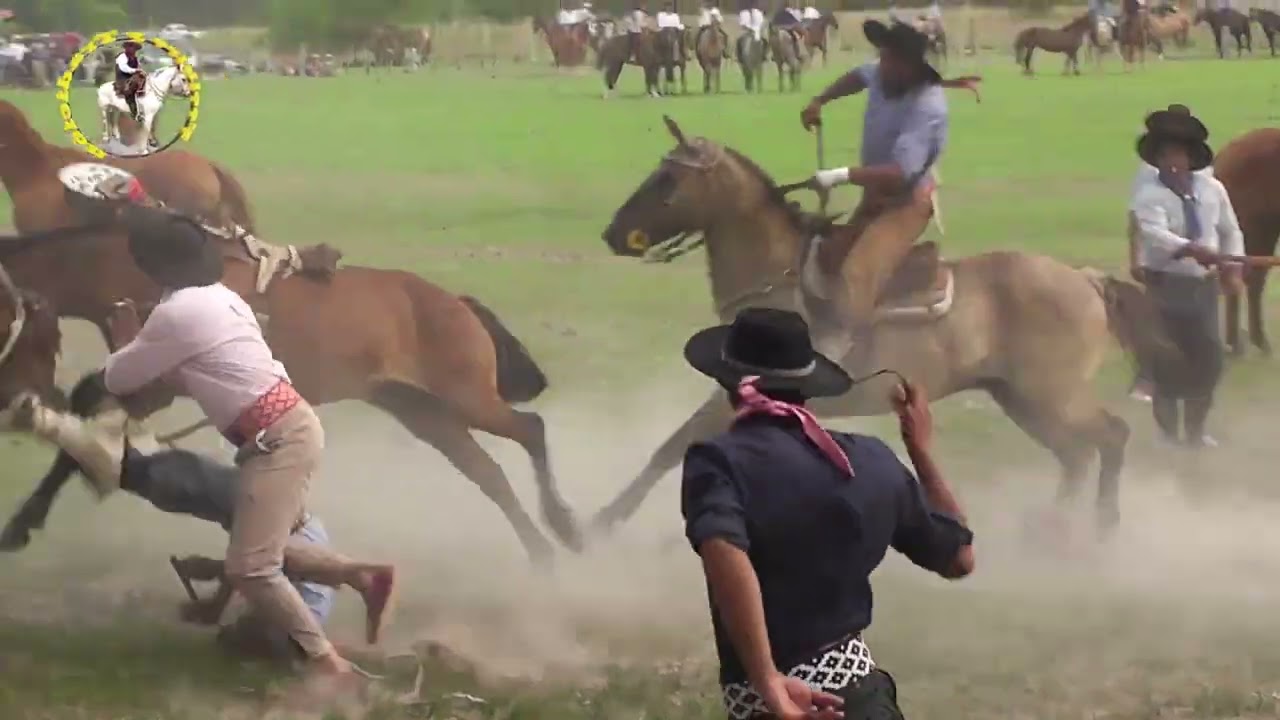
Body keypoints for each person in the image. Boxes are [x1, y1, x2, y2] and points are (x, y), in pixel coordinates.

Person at [78, 204, 366, 684]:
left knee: (252, 568)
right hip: (286, 429)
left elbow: (120, 377)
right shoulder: (219, 296)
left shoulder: (175, 313)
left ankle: (330, 665)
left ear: (148, 267)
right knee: (261, 548)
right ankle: (357, 579)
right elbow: (201, 371)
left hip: (278, 439)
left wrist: (127, 341)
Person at [679, 307, 974, 720]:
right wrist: (920, 450)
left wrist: (767, 680)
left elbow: (724, 550)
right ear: (808, 385)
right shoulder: (872, 458)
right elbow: (959, 558)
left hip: (777, 708)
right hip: (863, 697)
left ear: (726, 382)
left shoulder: (717, 461)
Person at [6, 373, 397, 663]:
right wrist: (214, 592)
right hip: (275, 516)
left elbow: (51, 426)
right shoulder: (138, 437)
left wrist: (31, 415)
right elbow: (249, 564)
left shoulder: (99, 444)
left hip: (272, 518)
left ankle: (354, 580)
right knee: (251, 569)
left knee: (256, 632)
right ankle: (350, 585)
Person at [797, 21, 965, 360]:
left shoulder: (927, 105)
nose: (880, 65)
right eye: (881, 57)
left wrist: (837, 175)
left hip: (907, 202)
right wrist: (821, 100)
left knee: (856, 273)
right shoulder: (883, 72)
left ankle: (846, 354)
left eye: (889, 60)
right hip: (876, 197)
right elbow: (858, 76)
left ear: (910, 65)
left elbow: (900, 175)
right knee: (826, 255)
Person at [1130, 106, 1243, 447]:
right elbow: (1154, 234)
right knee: (1166, 359)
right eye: (1165, 154)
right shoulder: (1149, 196)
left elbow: (1230, 229)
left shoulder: (1213, 190)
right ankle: (1168, 434)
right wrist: (1192, 249)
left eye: (1178, 153)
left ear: (1191, 156)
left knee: (1208, 359)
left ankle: (1195, 432)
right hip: (1165, 285)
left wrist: (1233, 264)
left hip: (1203, 288)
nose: (1172, 161)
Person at [113, 40, 145, 122]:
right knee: (130, 89)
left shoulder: (135, 58)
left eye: (134, 47)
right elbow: (124, 68)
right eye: (131, 46)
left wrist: (141, 71)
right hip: (123, 79)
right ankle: (134, 112)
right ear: (126, 48)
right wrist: (135, 70)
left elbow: (138, 66)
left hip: (133, 77)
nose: (133, 49)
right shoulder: (122, 57)